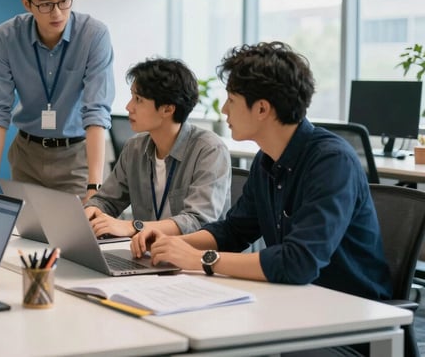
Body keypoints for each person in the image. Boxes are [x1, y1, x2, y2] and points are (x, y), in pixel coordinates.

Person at [131, 42, 392, 302]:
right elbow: (234, 231)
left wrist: (201, 259)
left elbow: (298, 262)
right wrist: (173, 243)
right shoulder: (266, 159)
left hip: (351, 309)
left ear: (262, 109)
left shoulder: (331, 162)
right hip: (296, 300)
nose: (224, 109)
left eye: (231, 100)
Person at [0, 0, 115, 199]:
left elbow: (96, 111)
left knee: (79, 224)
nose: (57, 13)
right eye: (45, 4)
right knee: (27, 224)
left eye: (63, 1)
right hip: (26, 156)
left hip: (77, 157)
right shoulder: (7, 37)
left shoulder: (93, 35)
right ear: (27, 3)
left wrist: (94, 186)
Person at [84, 58, 230, 239]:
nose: (129, 107)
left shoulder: (209, 150)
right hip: (144, 251)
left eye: (138, 99)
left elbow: (198, 221)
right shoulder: (135, 148)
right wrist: (93, 210)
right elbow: (106, 200)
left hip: (192, 253)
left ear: (167, 109)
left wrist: (133, 227)